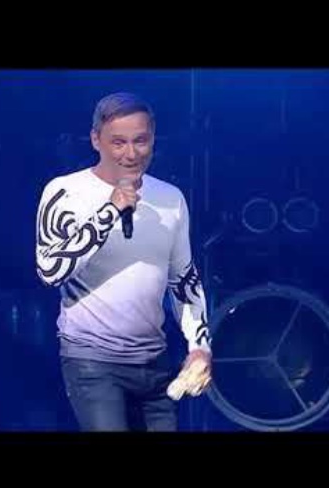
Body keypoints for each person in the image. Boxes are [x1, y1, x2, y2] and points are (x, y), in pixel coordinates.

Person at [35, 91, 211, 431]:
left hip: (155, 363)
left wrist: (200, 347)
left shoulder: (170, 198)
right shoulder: (66, 192)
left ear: (153, 140)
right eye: (118, 142)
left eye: (140, 141)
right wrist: (109, 211)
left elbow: (183, 279)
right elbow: (50, 270)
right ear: (95, 140)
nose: (131, 154)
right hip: (92, 362)